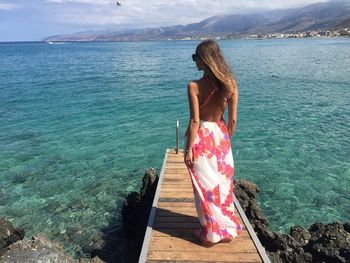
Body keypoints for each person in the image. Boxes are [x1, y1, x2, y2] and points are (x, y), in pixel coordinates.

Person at [184, 39, 242, 245]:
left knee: (204, 186)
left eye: (195, 57)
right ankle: (225, 227)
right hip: (221, 136)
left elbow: (194, 121)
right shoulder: (231, 84)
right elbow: (233, 120)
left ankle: (210, 232)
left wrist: (188, 149)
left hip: (202, 138)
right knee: (223, 186)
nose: (194, 61)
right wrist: (225, 141)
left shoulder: (194, 86)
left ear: (205, 59)